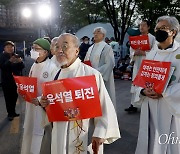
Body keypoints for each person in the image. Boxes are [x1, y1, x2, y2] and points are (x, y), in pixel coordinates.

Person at [40, 33, 120, 154]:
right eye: (57, 47)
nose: (60, 50)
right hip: (59, 132)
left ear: (77, 51)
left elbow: (104, 106)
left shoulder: (90, 74)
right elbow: (53, 103)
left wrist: (99, 132)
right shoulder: (54, 75)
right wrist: (44, 102)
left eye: (65, 46)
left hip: (84, 133)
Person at [134, 16, 180, 154]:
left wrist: (164, 92)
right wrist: (142, 91)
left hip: (170, 107)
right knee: (149, 141)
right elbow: (141, 78)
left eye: (163, 28)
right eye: (157, 28)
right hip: (150, 106)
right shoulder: (152, 53)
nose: (159, 31)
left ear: (173, 32)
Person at [21, 38, 58, 154]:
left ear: (45, 52)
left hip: (43, 108)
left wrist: (39, 100)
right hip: (31, 106)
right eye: (32, 48)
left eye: (36, 49)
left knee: (41, 136)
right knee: (30, 130)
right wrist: (23, 90)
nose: (33, 51)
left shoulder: (52, 67)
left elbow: (53, 90)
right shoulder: (34, 65)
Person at [125, 20, 155, 112]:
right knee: (135, 83)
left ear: (148, 27)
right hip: (138, 63)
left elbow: (155, 51)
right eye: (140, 25)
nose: (141, 27)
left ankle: (145, 105)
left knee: (145, 84)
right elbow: (132, 50)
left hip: (147, 64)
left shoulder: (152, 38)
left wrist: (144, 52)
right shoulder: (136, 38)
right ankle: (133, 104)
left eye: (144, 25)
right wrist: (134, 53)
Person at [84, 27, 116, 109]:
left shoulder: (107, 48)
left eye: (98, 32)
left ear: (103, 35)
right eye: (94, 32)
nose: (95, 34)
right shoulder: (90, 48)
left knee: (104, 99)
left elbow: (109, 63)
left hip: (102, 77)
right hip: (91, 77)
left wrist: (96, 72)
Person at [0, 41, 24, 121]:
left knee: (14, 97)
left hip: (16, 80)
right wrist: (10, 61)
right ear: (4, 48)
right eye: (8, 47)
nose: (10, 48)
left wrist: (20, 62)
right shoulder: (2, 56)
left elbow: (21, 67)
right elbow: (3, 67)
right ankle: (10, 113)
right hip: (7, 81)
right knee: (8, 98)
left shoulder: (16, 55)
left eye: (11, 47)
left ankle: (13, 112)